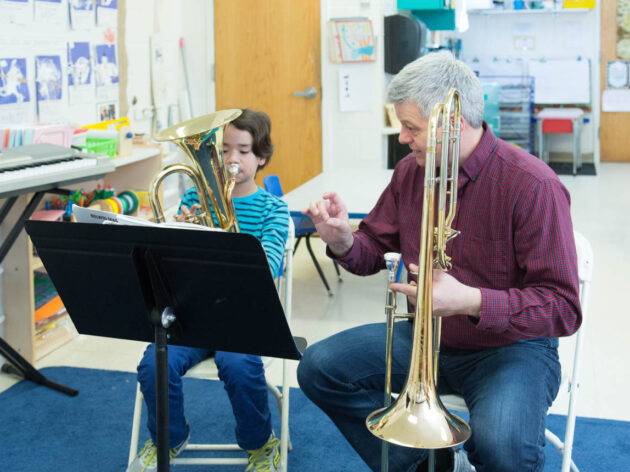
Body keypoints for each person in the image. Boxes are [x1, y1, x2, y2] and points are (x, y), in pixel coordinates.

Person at [297, 51, 581, 472]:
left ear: (452, 123)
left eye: (410, 127)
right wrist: (341, 240)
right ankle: (432, 464)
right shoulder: (411, 172)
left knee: (504, 450)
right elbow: (372, 249)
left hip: (509, 349)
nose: (402, 139)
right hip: (424, 338)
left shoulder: (532, 184)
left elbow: (562, 307)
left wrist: (471, 301)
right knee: (318, 368)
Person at [127, 108, 290, 472]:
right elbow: (170, 266)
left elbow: (271, 267)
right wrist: (178, 234)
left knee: (238, 364)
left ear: (261, 156)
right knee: (154, 362)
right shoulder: (192, 202)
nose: (232, 159)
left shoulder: (273, 209)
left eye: (244, 150)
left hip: (244, 317)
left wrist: (230, 244)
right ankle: (169, 438)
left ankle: (260, 444)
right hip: (193, 314)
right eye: (225, 149)